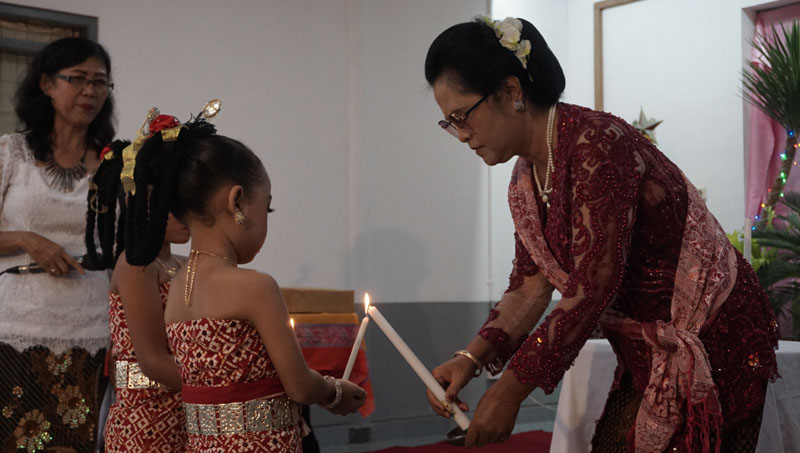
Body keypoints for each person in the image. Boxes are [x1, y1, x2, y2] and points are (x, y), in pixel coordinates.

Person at [424, 16, 779, 452]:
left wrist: (510, 391)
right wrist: (469, 358)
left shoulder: (597, 144)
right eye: (449, 123)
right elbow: (529, 287)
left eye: (462, 116)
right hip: (646, 347)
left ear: (511, 91)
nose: (461, 135)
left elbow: (594, 284)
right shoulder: (525, 180)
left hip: (714, 335)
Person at [120, 109, 367, 452]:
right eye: (267, 208)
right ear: (236, 201)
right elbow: (299, 386)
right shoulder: (256, 287)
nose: (266, 220)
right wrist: (334, 391)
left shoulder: (177, 287)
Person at [0, 37, 115, 451]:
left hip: (92, 327)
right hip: (15, 327)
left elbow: (125, 245)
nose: (90, 91)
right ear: (47, 84)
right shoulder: (10, 152)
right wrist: (27, 239)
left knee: (76, 443)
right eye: (78, 79)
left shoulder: (113, 164)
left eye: (100, 82)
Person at [84, 127, 190, 451]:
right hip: (146, 424)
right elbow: (153, 361)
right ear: (140, 199)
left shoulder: (184, 263)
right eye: (176, 202)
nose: (189, 213)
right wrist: (224, 387)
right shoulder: (135, 266)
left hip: (186, 415)